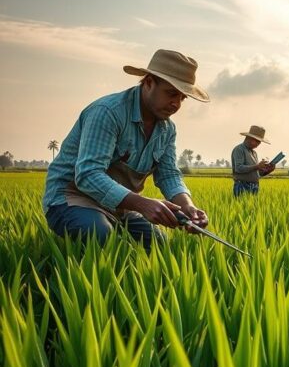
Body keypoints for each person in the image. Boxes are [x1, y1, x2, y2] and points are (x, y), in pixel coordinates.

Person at [42, 49, 210, 251]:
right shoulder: (108, 112)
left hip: (120, 205)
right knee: (100, 235)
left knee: (159, 247)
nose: (176, 104)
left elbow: (168, 175)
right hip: (71, 198)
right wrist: (142, 204)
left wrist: (187, 207)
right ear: (148, 82)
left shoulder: (167, 129)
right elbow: (88, 174)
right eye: (171, 93)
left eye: (182, 98)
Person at [231, 125, 275, 196]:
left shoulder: (254, 153)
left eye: (260, 142)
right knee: (242, 207)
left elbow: (256, 174)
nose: (258, 144)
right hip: (243, 186)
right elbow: (238, 168)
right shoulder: (239, 149)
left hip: (254, 186)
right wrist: (257, 166)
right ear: (248, 138)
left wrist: (268, 170)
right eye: (257, 141)